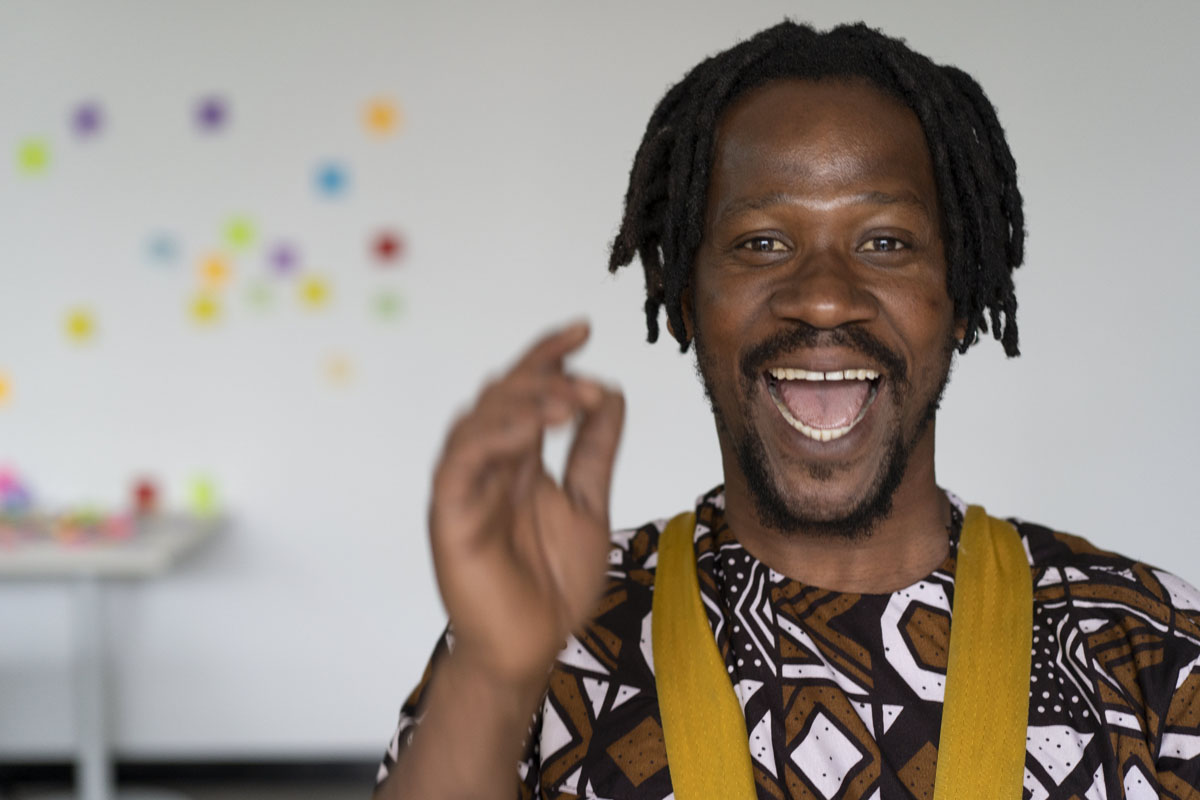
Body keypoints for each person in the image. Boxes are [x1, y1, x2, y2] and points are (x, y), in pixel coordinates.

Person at [372, 20, 1200, 800]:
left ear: (958, 299)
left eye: (885, 242)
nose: (825, 299)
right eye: (762, 242)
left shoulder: (1147, 645)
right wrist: (491, 672)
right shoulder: (551, 624)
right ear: (686, 299)